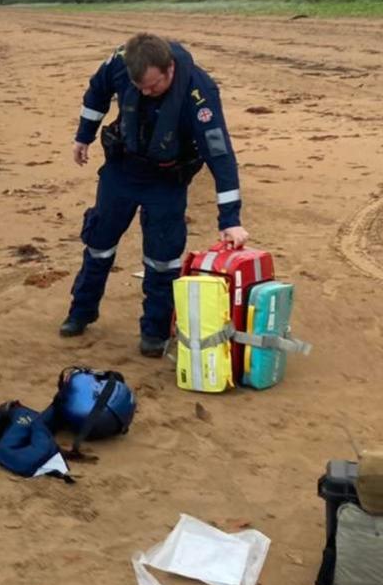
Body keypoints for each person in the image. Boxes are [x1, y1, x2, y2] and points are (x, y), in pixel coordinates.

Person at [60, 33, 248, 357]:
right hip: (122, 170)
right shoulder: (119, 64)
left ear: (170, 69)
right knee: (99, 244)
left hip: (166, 180)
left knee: (163, 258)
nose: (146, 93)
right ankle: (81, 312)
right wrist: (83, 137)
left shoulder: (199, 92)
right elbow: (96, 94)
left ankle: (155, 332)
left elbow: (220, 154)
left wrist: (230, 219)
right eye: (140, 88)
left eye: (153, 86)